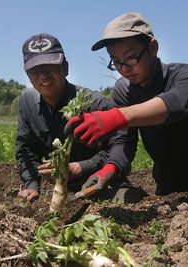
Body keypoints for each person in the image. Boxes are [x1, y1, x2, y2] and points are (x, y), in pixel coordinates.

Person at [65, 13, 188, 203]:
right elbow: (124, 141)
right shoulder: (123, 92)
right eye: (116, 61)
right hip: (167, 177)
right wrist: (111, 167)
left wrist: (117, 117)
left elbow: (175, 104)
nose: (124, 68)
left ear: (153, 48)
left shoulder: (184, 75)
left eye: (131, 57)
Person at [16, 33, 140, 203]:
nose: (43, 75)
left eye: (50, 67)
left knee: (127, 201)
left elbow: (120, 148)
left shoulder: (96, 104)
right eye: (35, 70)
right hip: (62, 192)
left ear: (65, 68)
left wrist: (81, 167)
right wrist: (31, 185)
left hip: (102, 184)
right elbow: (25, 148)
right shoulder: (27, 102)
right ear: (28, 74)